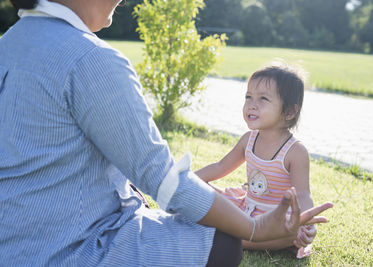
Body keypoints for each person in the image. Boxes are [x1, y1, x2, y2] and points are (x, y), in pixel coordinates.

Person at [0, 0, 332, 266]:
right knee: (225, 241)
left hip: (12, 241)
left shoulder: (7, 46)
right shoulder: (91, 60)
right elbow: (163, 180)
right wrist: (255, 227)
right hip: (68, 249)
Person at [195, 64, 321, 258]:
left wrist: (305, 223)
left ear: (289, 112)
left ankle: (244, 238)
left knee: (289, 233)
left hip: (276, 220)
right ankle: (237, 232)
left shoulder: (295, 152)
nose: (251, 105)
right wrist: (190, 180)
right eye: (248, 97)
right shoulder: (249, 139)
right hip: (247, 207)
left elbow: (303, 194)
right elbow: (220, 167)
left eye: (263, 98)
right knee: (201, 192)